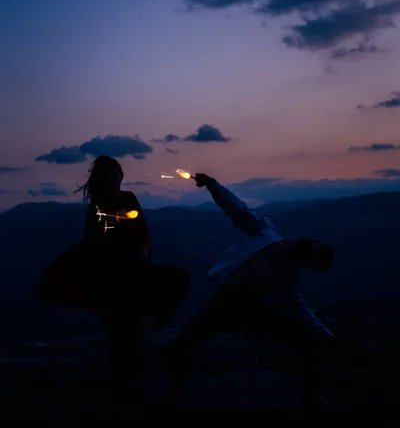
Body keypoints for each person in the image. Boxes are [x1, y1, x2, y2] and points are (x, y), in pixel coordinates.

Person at [167, 173, 336, 408]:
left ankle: (312, 396)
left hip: (251, 309)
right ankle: (173, 397)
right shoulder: (266, 231)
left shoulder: (287, 276)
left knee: (306, 339)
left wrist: (325, 335)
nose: (311, 251)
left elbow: (299, 306)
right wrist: (213, 185)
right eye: (316, 250)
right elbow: (237, 208)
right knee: (183, 343)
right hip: (225, 302)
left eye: (314, 257)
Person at [34, 155, 190, 399]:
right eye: (111, 173)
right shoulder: (104, 206)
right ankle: (125, 384)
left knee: (123, 326)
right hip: (116, 274)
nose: (115, 177)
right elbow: (108, 238)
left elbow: (134, 233)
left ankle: (124, 381)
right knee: (123, 326)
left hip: (123, 273)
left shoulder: (113, 203)